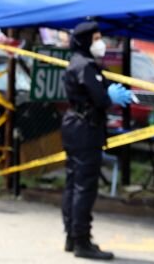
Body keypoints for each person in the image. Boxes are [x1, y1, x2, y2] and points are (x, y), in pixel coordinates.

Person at [60, 21, 133, 260]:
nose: (101, 44)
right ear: (86, 40)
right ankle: (82, 240)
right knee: (84, 186)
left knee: (73, 182)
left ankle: (72, 235)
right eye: (96, 38)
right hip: (85, 128)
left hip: (74, 125)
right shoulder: (86, 65)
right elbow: (100, 99)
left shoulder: (76, 62)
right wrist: (108, 96)